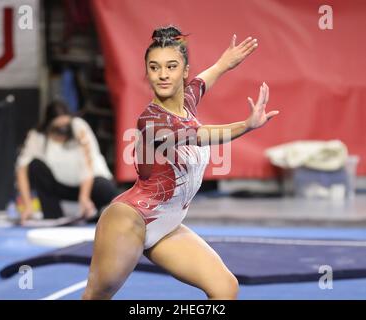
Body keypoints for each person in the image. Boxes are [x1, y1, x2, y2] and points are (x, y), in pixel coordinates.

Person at [83, 25, 279, 300]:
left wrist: (226, 63)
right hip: (130, 220)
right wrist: (246, 125)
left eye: (171, 66)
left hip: (167, 224)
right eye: (154, 67)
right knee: (96, 297)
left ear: (184, 71)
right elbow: (199, 135)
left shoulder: (187, 102)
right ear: (147, 72)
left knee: (225, 288)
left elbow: (201, 81)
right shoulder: (151, 120)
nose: (162, 74)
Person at [15, 100, 117, 224]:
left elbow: (87, 163)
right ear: (48, 126)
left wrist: (84, 197)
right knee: (35, 166)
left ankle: (96, 214)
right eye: (58, 129)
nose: (62, 133)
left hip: (88, 184)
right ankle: (53, 216)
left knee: (105, 188)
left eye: (66, 128)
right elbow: (22, 168)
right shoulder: (37, 136)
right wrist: (27, 205)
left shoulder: (79, 127)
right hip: (60, 186)